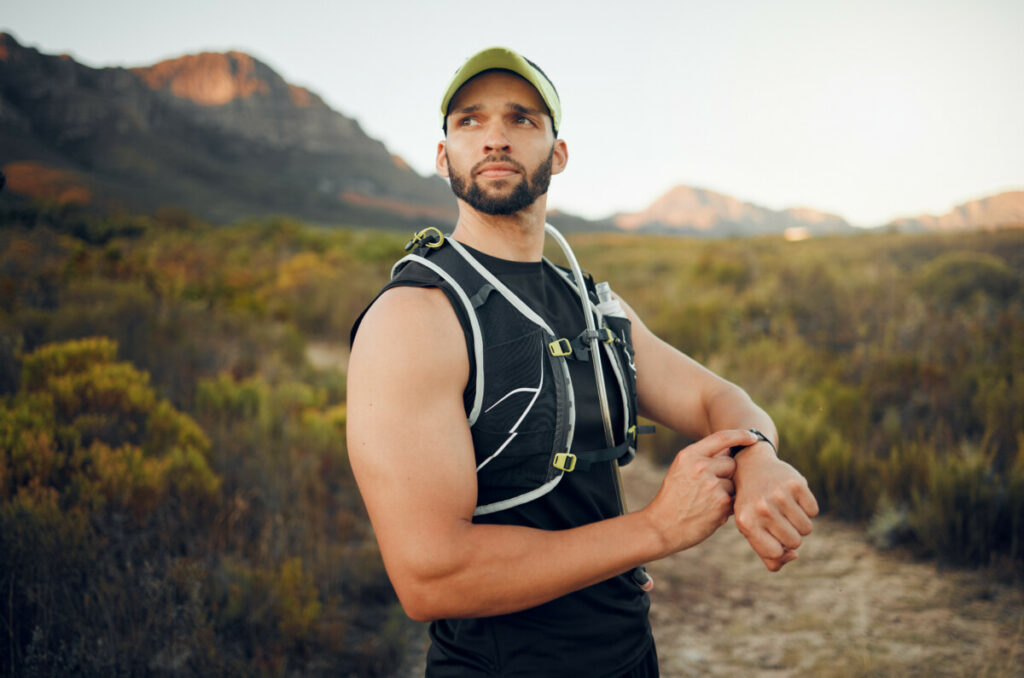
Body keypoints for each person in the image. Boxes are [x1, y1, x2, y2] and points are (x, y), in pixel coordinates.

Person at [347, 46, 819, 677]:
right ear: (443, 158)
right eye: (469, 121)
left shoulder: (593, 302)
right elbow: (433, 576)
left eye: (522, 119)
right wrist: (655, 529)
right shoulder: (415, 316)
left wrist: (758, 453)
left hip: (628, 654)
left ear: (557, 153)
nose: (494, 138)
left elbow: (717, 399)